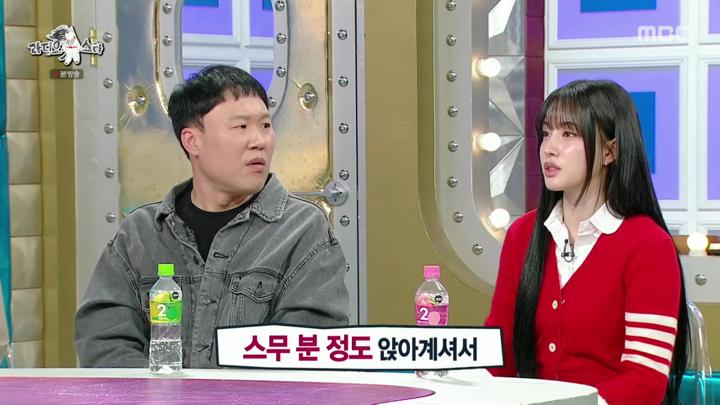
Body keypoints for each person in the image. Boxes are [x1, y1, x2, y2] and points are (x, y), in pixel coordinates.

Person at [76, 65, 350, 368]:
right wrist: (165, 392)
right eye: (241, 127)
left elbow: (307, 350)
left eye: (265, 125)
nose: (259, 140)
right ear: (192, 141)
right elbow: (103, 342)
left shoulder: (303, 230)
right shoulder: (140, 234)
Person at [485, 80, 688, 404]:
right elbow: (500, 354)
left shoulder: (649, 245)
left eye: (568, 134)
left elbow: (645, 381)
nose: (549, 148)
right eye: (546, 133)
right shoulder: (522, 234)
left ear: (610, 151)